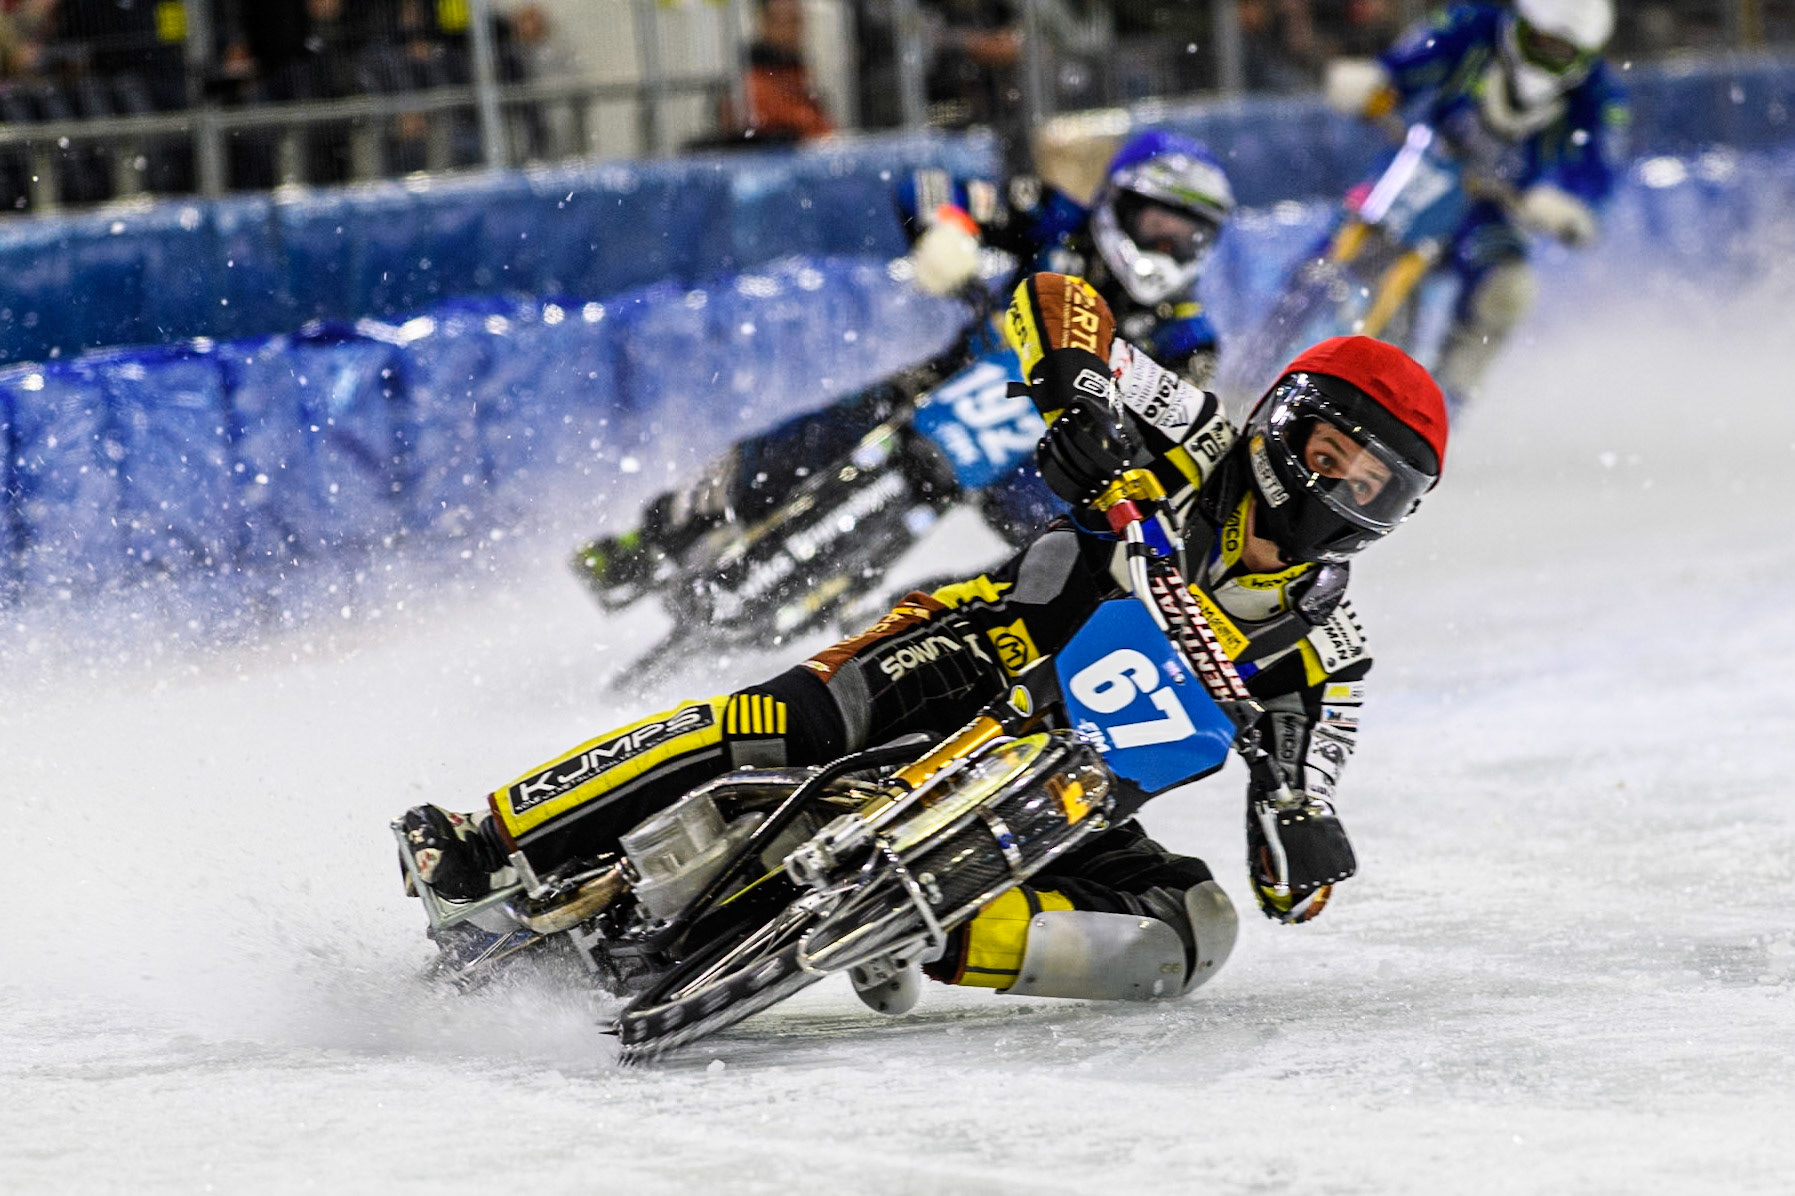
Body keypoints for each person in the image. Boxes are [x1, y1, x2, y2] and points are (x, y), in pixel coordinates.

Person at [399, 272, 1449, 1004]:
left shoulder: (1333, 653)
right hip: (976, 652)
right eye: (1331, 455)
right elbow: (1054, 303)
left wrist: (1296, 828)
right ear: (1282, 424)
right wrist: (1079, 396)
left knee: (1191, 929)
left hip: (1069, 801)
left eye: (1374, 486)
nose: (1341, 492)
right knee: (775, 724)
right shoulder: (1199, 433)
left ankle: (921, 930)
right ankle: (487, 836)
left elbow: (1295, 867)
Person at [574, 129, 1236, 605]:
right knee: (795, 445)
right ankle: (655, 538)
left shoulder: (1188, 337)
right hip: (937, 386)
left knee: (1064, 555)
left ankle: (948, 631)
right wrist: (949, 234)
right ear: (1119, 202)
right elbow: (929, 189)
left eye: (1188, 233)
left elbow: (1168, 438)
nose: (1168, 244)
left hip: (1039, 457)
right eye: (1159, 222)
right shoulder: (1055, 219)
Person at [1324, 0, 1628, 409]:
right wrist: (1377, 79)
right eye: (1539, 40)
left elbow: (1598, 174)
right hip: (1423, 171)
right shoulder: (1472, 26)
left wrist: (1568, 205)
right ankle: (1273, 356)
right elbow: (1411, 63)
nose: (1547, 55)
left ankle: (1443, 402)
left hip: (1494, 211)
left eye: (1562, 49)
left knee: (1507, 291)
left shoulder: (1601, 95)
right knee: (1340, 247)